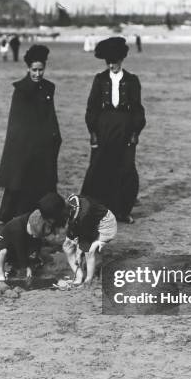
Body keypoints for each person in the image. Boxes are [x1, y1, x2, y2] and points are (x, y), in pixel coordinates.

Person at [81, 36, 146, 224]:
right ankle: (94, 211)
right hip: (104, 129)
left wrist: (135, 133)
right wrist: (93, 133)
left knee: (126, 170)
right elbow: (91, 108)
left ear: (121, 59)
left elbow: (137, 109)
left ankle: (123, 211)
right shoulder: (100, 80)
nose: (111, 65)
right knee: (99, 169)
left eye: (114, 61)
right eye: (108, 62)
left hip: (125, 130)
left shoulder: (132, 81)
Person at [0, 44, 62, 223]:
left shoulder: (49, 88)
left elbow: (50, 115)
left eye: (41, 70)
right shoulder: (20, 90)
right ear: (28, 68)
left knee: (44, 182)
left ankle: (43, 215)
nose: (38, 74)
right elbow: (17, 123)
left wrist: (54, 137)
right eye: (34, 70)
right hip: (24, 146)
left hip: (43, 145)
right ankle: (14, 218)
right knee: (20, 183)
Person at [0, 192, 64, 282]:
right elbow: (20, 249)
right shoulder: (17, 229)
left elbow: (36, 244)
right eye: (34, 234)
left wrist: (32, 260)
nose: (35, 236)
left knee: (34, 258)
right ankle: (0, 274)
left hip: (25, 241)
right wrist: (26, 266)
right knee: (3, 252)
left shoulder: (36, 223)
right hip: (7, 244)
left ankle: (18, 265)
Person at [55, 194, 117, 289]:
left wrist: (79, 252)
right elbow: (74, 225)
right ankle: (79, 276)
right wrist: (73, 240)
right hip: (89, 223)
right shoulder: (71, 204)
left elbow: (86, 237)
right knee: (67, 246)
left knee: (89, 252)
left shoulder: (83, 216)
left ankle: (88, 280)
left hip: (106, 224)